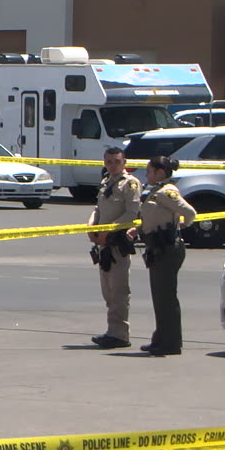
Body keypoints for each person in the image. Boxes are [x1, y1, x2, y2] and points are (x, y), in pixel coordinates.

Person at [127, 156, 197, 356]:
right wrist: (137, 230)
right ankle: (161, 338)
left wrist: (181, 225)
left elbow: (189, 212)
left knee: (166, 297)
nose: (147, 174)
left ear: (160, 172)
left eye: (149, 171)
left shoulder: (167, 192)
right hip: (156, 247)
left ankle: (171, 343)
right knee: (159, 297)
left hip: (167, 248)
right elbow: (152, 217)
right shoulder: (156, 192)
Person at [87, 146, 141, 349]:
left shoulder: (131, 184)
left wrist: (108, 232)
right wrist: (91, 226)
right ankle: (112, 330)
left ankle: (119, 334)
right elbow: (98, 209)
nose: (113, 165)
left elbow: (132, 213)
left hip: (118, 241)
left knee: (119, 290)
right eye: (109, 161)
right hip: (103, 244)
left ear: (124, 162)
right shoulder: (106, 183)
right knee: (108, 291)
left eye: (117, 161)